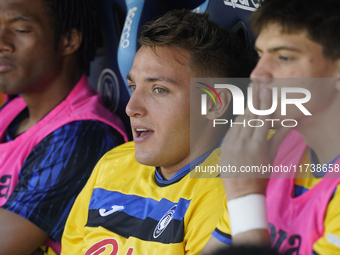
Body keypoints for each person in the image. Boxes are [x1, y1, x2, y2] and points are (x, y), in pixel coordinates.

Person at [61, 9, 255, 255]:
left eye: (159, 90)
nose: (131, 108)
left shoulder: (226, 190)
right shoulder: (113, 163)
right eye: (133, 86)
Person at [202, 0, 340, 254]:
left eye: (284, 57)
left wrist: (245, 197)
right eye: (260, 55)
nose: (258, 73)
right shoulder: (270, 146)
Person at [0, 0, 128, 254]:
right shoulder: (15, 108)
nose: (2, 42)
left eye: (21, 30)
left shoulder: (84, 134)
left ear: (69, 40)